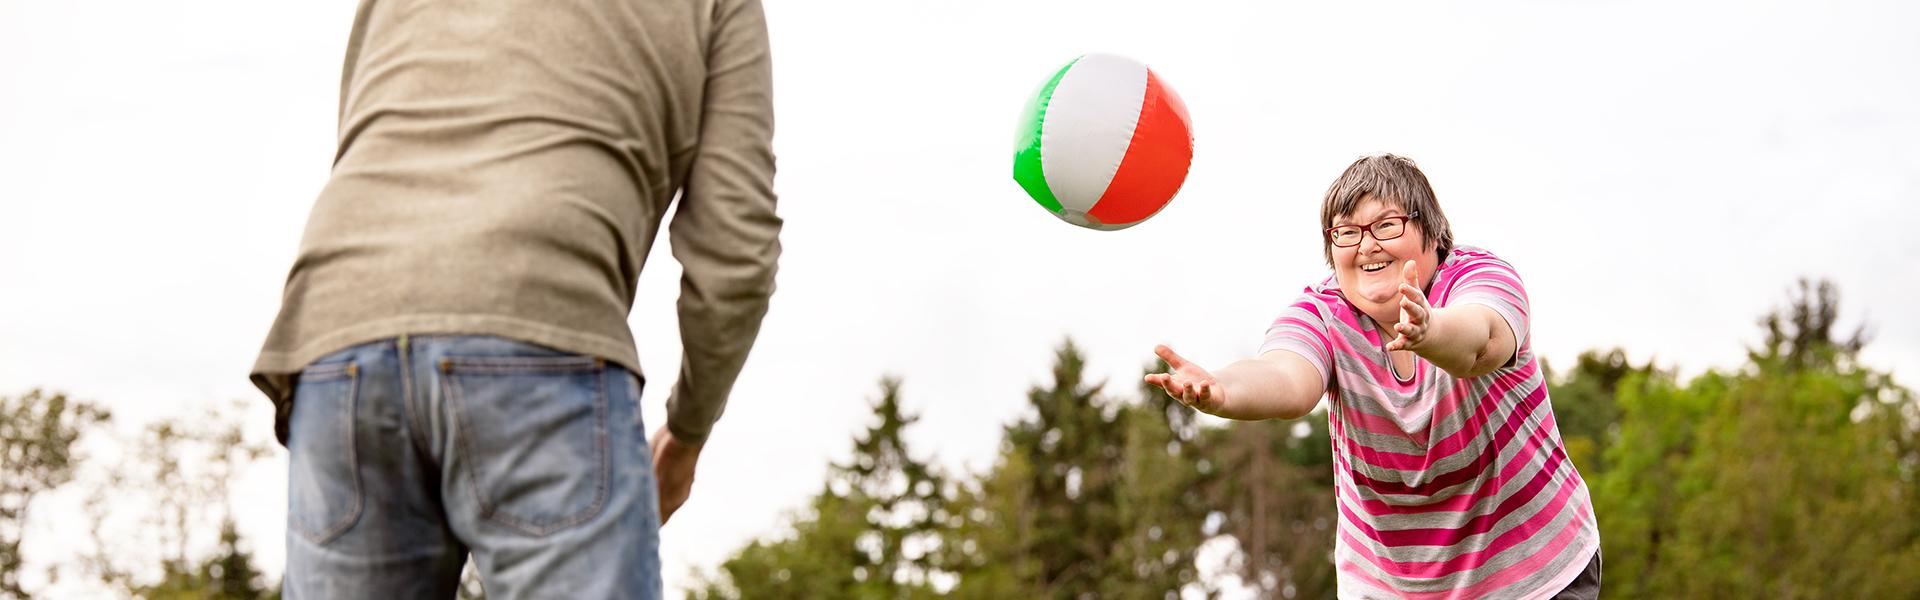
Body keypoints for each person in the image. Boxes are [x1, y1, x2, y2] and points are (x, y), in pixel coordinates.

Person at [248, 0, 781, 597]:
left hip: (340, 324)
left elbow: (364, 136)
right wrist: (687, 432)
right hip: (536, 316)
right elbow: (738, 252)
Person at [1146, 154, 1600, 598]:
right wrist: (1223, 390)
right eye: (1346, 232)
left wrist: (1429, 330)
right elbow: (1286, 378)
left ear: (1432, 233)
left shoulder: (1480, 277)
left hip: (1532, 571)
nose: (1366, 245)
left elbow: (1480, 342)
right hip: (1388, 585)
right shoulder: (1322, 314)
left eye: (1386, 225)